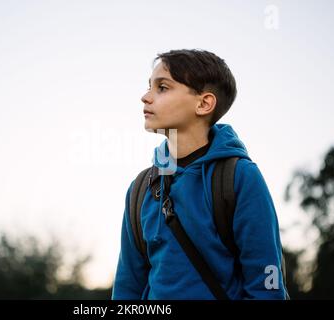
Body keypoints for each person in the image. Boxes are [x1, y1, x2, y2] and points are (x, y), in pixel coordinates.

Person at [112, 49, 287, 300]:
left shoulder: (240, 178)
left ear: (204, 103)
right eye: (149, 86)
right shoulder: (140, 189)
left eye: (162, 87)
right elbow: (127, 287)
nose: (145, 97)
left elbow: (267, 286)